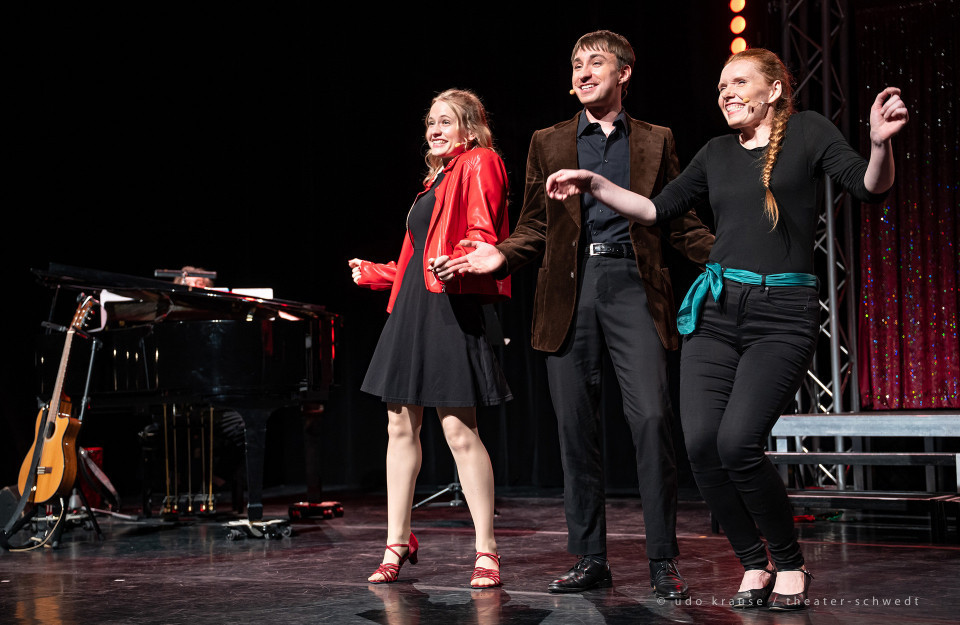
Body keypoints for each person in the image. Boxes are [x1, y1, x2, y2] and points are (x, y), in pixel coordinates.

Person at [544, 48, 908, 611]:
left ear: (774, 90)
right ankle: (754, 562)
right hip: (715, 310)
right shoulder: (715, 152)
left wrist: (880, 145)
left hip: (781, 313)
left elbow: (868, 186)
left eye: (739, 82)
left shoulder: (808, 132)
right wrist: (594, 182)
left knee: (738, 443)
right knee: (700, 445)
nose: (726, 94)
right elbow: (655, 210)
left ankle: (789, 561)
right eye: (720, 87)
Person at [436, 31, 714, 598]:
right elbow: (535, 226)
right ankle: (591, 558)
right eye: (576, 65)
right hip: (571, 290)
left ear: (624, 72)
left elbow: (677, 220)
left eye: (595, 63)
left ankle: (662, 559)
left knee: (652, 421)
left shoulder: (656, 139)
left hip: (634, 286)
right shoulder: (550, 140)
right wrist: (501, 255)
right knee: (574, 429)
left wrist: (733, 257)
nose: (583, 73)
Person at [348, 88, 512, 588]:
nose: (435, 130)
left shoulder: (481, 161)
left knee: (460, 430)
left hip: (451, 302)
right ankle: (397, 541)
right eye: (431, 122)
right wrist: (378, 273)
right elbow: (417, 255)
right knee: (399, 427)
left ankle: (486, 550)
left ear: (469, 127)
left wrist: (462, 258)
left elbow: (482, 233)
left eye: (446, 121)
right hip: (414, 306)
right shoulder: (432, 180)